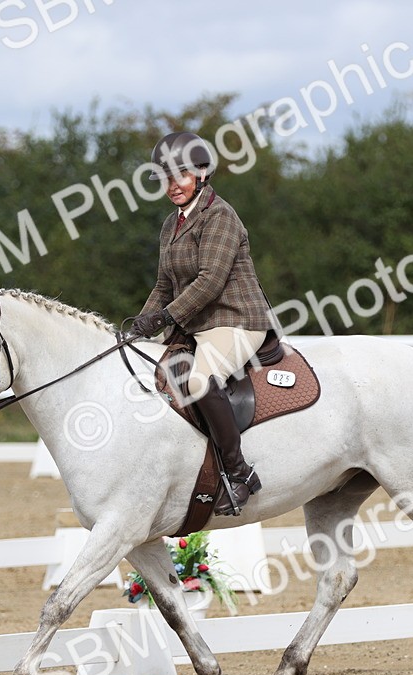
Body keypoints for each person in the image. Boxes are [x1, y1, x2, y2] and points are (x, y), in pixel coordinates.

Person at [131, 132, 275, 516]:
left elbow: (210, 281)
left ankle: (239, 473)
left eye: (180, 175)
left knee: (199, 381)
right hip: (195, 324)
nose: (172, 185)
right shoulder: (171, 224)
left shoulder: (220, 216)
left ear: (202, 173)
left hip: (235, 320)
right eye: (165, 178)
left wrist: (166, 317)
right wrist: (139, 328)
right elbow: (163, 285)